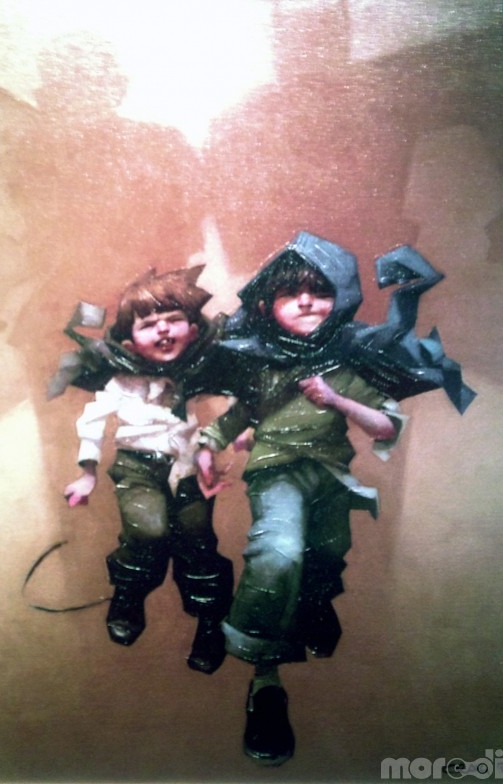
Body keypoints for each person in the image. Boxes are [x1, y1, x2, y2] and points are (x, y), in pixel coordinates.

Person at [196, 232, 407, 764]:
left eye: (320, 290)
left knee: (326, 555)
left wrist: (337, 400)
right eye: (291, 293)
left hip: (331, 476)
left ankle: (313, 606)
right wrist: (207, 445)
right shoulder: (263, 364)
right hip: (278, 472)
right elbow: (239, 415)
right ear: (268, 305)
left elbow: (386, 427)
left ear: (340, 296)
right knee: (279, 552)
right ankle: (264, 675)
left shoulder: (344, 362)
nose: (307, 301)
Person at [63, 266, 232, 675]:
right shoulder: (122, 382)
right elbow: (91, 422)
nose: (164, 330)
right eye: (149, 325)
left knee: (197, 539)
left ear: (193, 329)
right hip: (138, 467)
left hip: (188, 468)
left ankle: (210, 618)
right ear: (129, 341)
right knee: (149, 529)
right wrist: (87, 472)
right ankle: (129, 591)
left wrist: (229, 438)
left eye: (174, 320)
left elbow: (235, 403)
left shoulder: (196, 372)